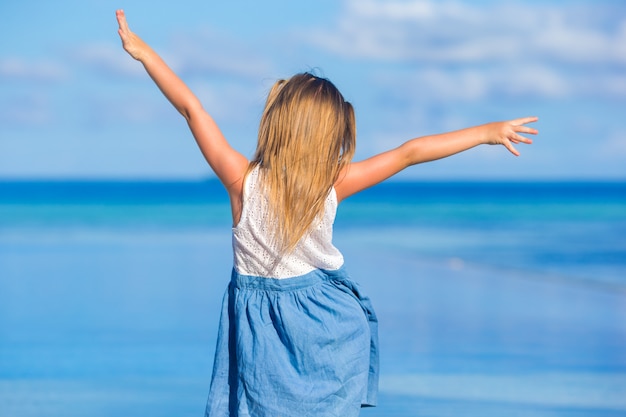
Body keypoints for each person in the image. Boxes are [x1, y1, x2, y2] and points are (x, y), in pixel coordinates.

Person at [115, 9, 538, 417]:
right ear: (330, 135)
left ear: (276, 121)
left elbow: (193, 110)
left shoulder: (241, 181)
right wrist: (486, 133)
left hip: (263, 332)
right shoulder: (332, 183)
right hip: (327, 322)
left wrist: (145, 53)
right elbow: (410, 152)